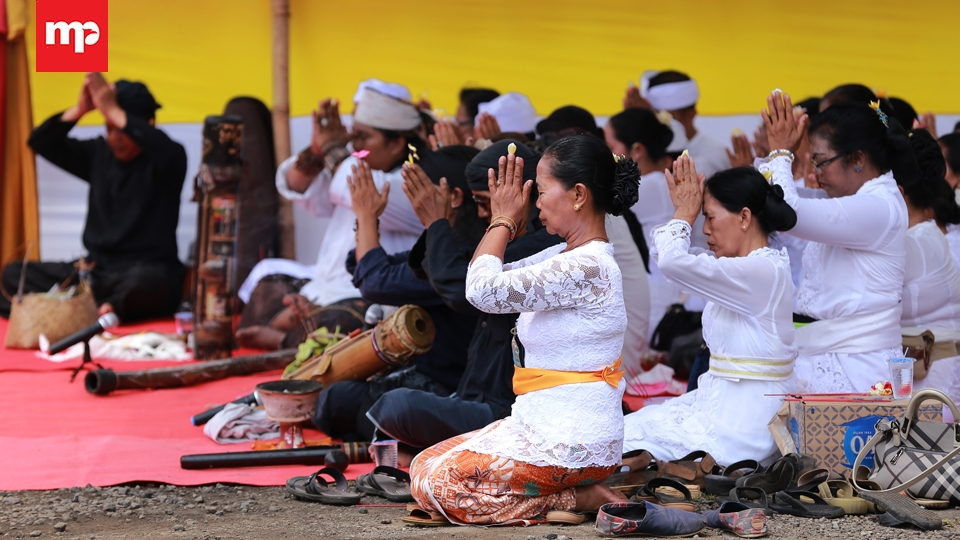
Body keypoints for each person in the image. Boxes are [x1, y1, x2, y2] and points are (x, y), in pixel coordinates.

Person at [409, 134, 639, 525]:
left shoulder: (588, 267)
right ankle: (571, 494)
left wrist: (502, 219)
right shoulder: (565, 256)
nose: (536, 204)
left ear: (578, 195)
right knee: (423, 465)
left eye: (542, 192)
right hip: (541, 427)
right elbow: (485, 280)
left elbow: (481, 291)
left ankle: (575, 497)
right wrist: (505, 222)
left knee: (442, 483)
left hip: (572, 441)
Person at [363, 140, 562, 463]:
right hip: (472, 397)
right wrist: (439, 225)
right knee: (368, 402)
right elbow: (415, 270)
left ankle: (419, 455)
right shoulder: (503, 238)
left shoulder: (545, 246)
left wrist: (438, 223)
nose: (482, 213)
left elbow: (461, 289)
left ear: (522, 194)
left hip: (508, 411)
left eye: (486, 201)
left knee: (396, 406)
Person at [623, 157, 798, 464]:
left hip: (746, 423)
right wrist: (681, 216)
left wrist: (683, 214)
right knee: (622, 432)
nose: (704, 229)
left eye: (710, 217)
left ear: (744, 217)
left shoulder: (762, 270)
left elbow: (672, 262)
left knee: (623, 442)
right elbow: (669, 258)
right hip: (720, 404)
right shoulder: (741, 268)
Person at [311, 147, 483, 442]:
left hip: (448, 390)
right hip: (428, 378)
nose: (413, 199)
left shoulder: (461, 255)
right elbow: (373, 268)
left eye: (420, 189)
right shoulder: (450, 243)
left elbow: (375, 280)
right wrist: (368, 221)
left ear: (454, 197)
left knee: (334, 401)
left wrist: (366, 217)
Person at [236, 88, 425, 349]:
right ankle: (302, 323)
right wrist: (316, 151)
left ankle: (285, 341)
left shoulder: (411, 184)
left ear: (396, 144)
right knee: (267, 288)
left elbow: (350, 182)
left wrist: (332, 147)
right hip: (325, 289)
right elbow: (297, 184)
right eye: (353, 135)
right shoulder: (356, 171)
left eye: (363, 136)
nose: (354, 145)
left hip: (365, 297)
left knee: (346, 319)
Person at [759, 91, 916, 393]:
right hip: (828, 357)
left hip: (858, 370)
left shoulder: (878, 206)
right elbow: (774, 201)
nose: (815, 174)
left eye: (821, 162)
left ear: (857, 159)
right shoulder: (858, 200)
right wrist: (773, 158)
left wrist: (781, 153)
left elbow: (787, 212)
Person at [1, 73, 187, 323]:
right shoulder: (98, 153)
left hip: (142, 270)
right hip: (94, 272)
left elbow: (166, 149)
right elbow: (41, 142)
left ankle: (84, 306)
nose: (114, 138)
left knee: (149, 284)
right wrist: (80, 109)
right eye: (108, 127)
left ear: (148, 124)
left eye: (121, 128)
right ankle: (94, 307)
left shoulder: (169, 159)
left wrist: (112, 109)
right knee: (14, 273)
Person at [604, 107, 703, 340]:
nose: (607, 157)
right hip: (661, 288)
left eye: (611, 148)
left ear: (637, 150)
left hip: (659, 294)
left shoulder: (652, 186)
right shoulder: (653, 184)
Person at [899, 129, 960, 402]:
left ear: (898, 189)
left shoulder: (917, 242)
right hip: (931, 374)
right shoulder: (925, 233)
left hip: (936, 379)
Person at [641, 70, 731, 179]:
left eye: (667, 118)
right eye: (655, 118)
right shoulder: (643, 150)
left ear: (690, 115)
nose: (659, 125)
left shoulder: (716, 155)